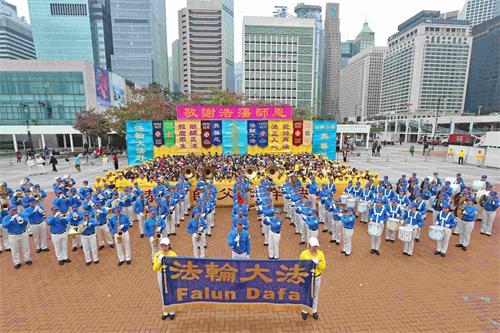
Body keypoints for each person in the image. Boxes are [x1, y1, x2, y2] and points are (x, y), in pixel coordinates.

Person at [300, 237, 326, 321]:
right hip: (307, 277)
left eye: (317, 246)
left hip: (317, 277)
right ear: (309, 245)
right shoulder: (304, 254)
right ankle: (305, 310)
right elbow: (300, 265)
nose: (315, 248)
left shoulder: (320, 254)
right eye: (314, 246)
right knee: (306, 294)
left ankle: (314, 310)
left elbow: (323, 267)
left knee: (315, 295)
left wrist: (318, 263)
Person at [152, 238, 177, 320]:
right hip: (160, 274)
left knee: (171, 291)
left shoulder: (173, 254)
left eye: (165, 245)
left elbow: (176, 265)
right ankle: (165, 311)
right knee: (163, 292)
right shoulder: (157, 255)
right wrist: (159, 261)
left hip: (170, 274)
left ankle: (172, 310)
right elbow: (155, 268)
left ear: (169, 245)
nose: (163, 247)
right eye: (162, 245)